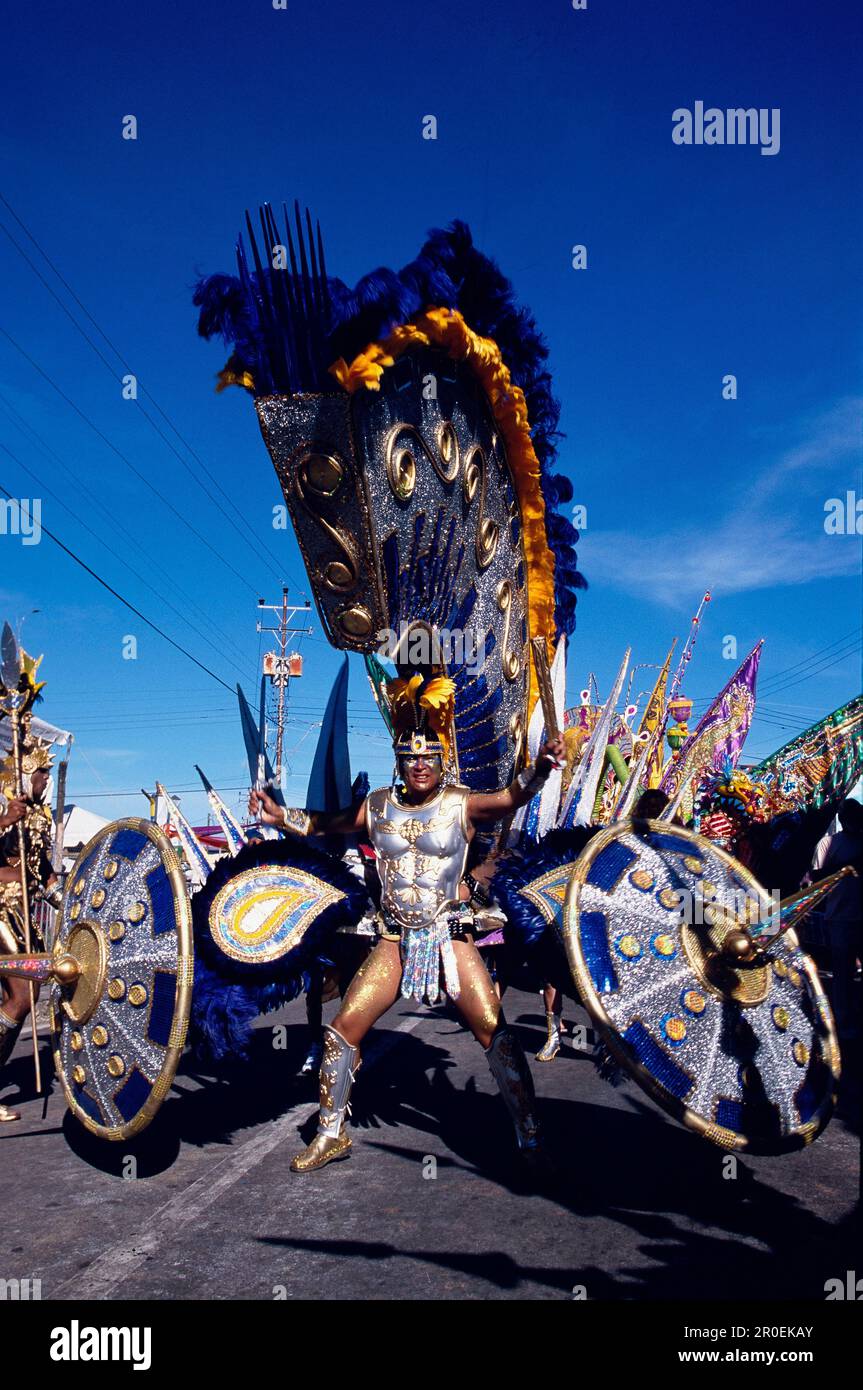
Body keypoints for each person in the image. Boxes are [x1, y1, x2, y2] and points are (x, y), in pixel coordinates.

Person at [250, 686, 565, 1174]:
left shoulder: (462, 804)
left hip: (449, 938)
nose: (419, 764)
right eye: (409, 756)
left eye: (428, 756)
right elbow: (322, 824)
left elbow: (509, 797)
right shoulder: (375, 808)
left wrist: (541, 766)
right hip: (395, 940)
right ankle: (331, 1133)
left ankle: (530, 1135)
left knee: (494, 1032)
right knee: (342, 1031)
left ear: (442, 761)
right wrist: (279, 816)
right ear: (398, 760)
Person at [0, 736, 60, 1122]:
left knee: (27, 998)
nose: (44, 779)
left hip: (26, 913)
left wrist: (65, 897)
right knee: (21, 996)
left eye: (47, 773)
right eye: (40, 772)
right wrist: (6, 819)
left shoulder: (41, 814)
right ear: (25, 771)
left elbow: (43, 873)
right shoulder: (5, 805)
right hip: (0, 908)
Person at [808, 798, 863, 1040]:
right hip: (839, 917)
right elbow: (815, 877)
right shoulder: (828, 843)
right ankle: (843, 1020)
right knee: (843, 972)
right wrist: (845, 868)